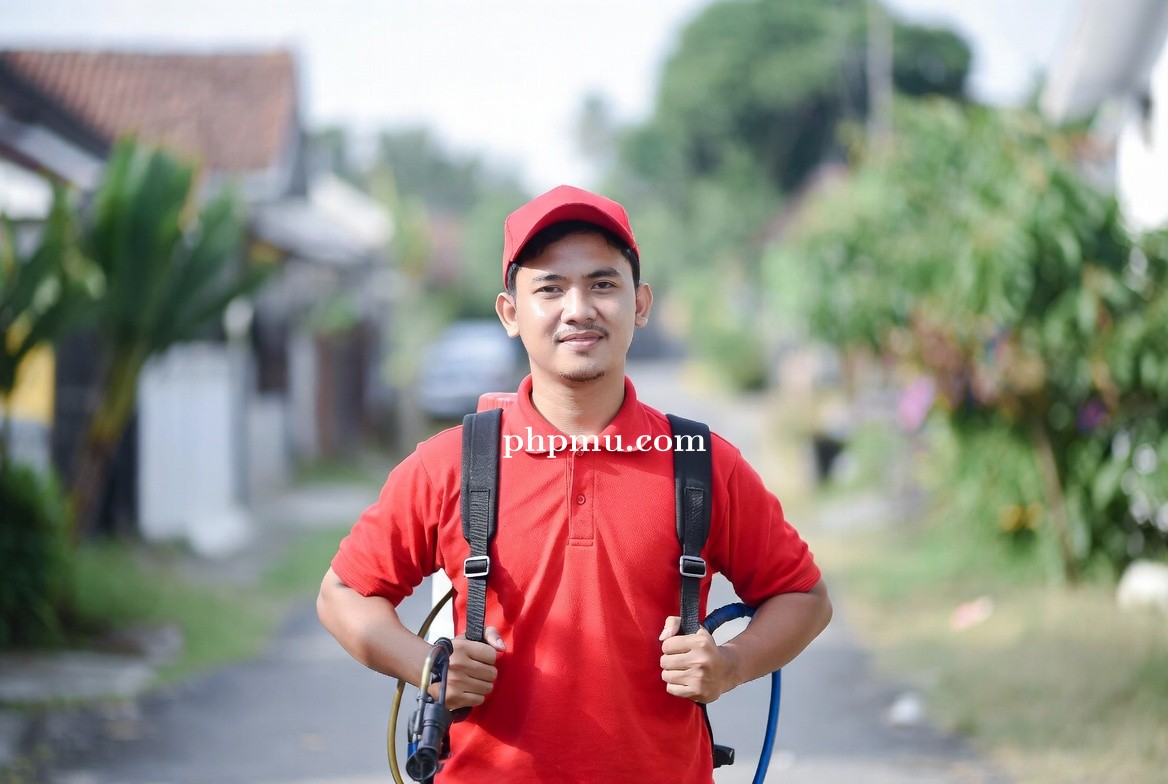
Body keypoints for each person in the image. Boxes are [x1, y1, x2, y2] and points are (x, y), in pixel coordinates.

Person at [317, 184, 832, 783]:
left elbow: (805, 599)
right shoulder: (451, 463)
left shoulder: (700, 462)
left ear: (641, 304)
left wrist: (731, 664)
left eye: (603, 284)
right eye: (550, 288)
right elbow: (342, 595)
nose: (579, 308)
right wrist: (428, 665)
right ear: (510, 313)